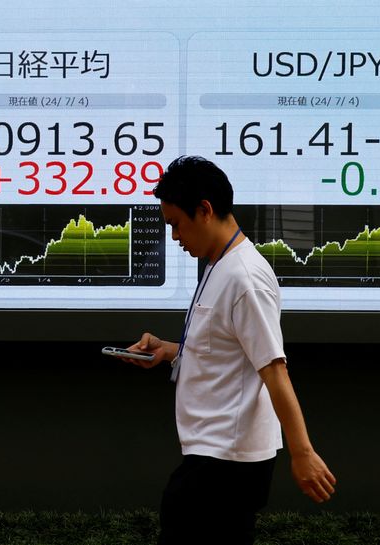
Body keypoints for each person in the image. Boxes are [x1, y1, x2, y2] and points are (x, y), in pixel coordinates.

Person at [120, 156, 336, 545]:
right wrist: (169, 351)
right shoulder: (219, 265)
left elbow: (273, 369)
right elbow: (227, 347)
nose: (175, 237)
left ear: (204, 209)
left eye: (176, 225)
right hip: (214, 456)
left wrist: (302, 453)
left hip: (225, 463)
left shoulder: (244, 277)